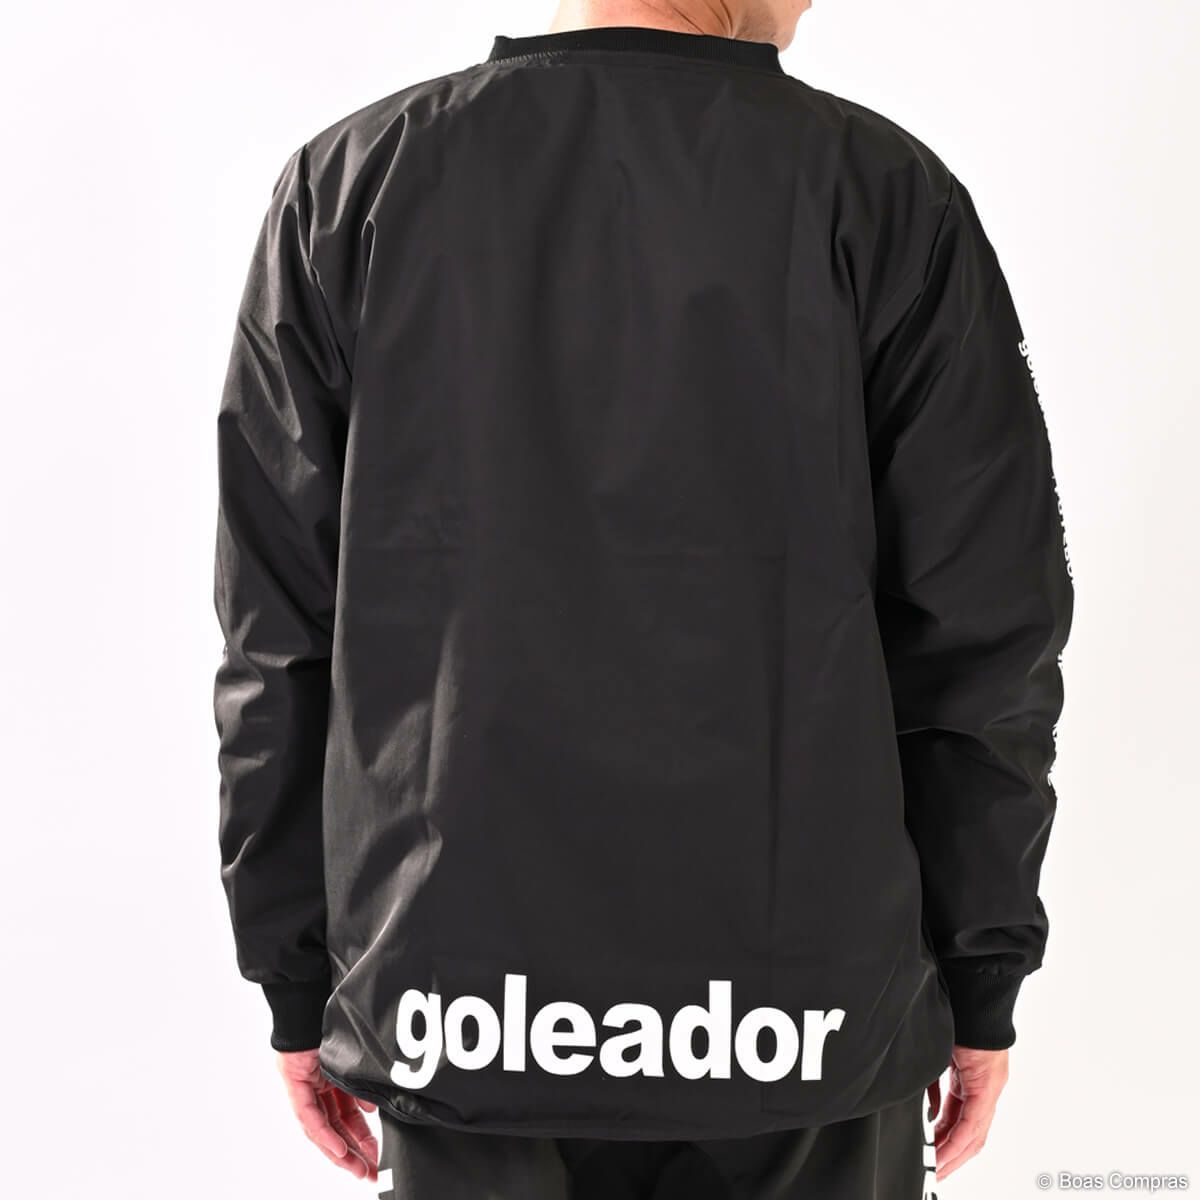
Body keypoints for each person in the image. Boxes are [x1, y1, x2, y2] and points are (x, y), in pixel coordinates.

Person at [211, 0, 1075, 1194]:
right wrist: (982, 973)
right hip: (800, 1018)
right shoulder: (883, 194)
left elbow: (277, 639)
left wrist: (297, 977)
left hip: (461, 1009)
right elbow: (982, 636)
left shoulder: (350, 186)